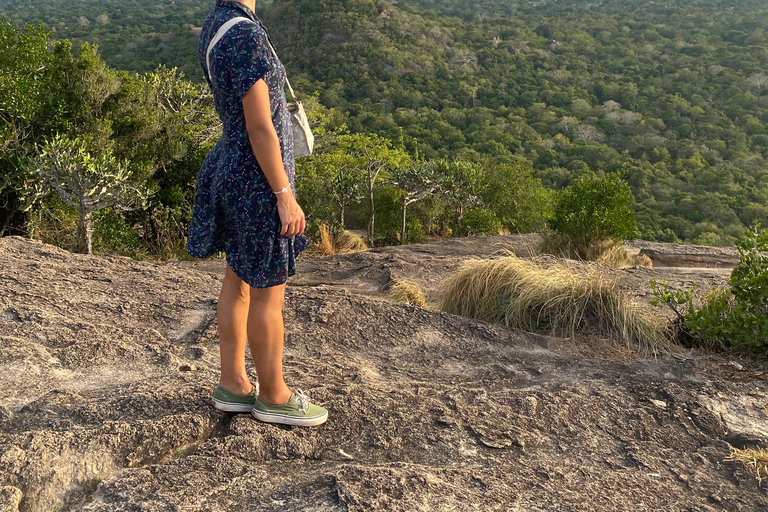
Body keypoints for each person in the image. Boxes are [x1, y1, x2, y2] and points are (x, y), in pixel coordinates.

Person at [186, 0, 327, 427]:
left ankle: (233, 383)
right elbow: (260, 125)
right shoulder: (245, 35)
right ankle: (275, 395)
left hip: (231, 166)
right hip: (256, 182)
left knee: (239, 277)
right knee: (269, 291)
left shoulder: (219, 22)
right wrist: (283, 193)